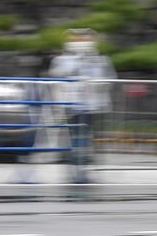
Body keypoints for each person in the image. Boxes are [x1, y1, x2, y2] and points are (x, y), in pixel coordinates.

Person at [48, 28, 115, 183]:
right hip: (71, 104)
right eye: (76, 39)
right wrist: (78, 61)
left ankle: (83, 169)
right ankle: (74, 170)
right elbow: (56, 75)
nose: (81, 42)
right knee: (75, 137)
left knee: (87, 137)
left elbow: (109, 79)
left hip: (94, 105)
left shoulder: (101, 60)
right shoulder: (61, 60)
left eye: (84, 39)